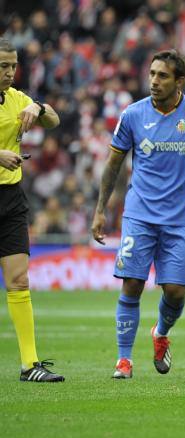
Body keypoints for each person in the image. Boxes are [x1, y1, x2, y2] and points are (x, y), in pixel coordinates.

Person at [91, 50, 185, 379]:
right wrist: (100, 210)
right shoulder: (133, 114)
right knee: (132, 283)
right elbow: (113, 165)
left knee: (176, 292)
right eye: (152, 74)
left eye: (162, 75)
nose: (154, 81)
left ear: (180, 81)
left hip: (179, 218)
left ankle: (161, 332)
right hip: (139, 214)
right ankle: (124, 360)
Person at [0, 38, 64, 382]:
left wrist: (38, 107)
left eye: (13, 65)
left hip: (10, 198)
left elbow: (54, 120)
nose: (10, 72)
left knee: (19, 280)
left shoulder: (16, 98)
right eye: (3, 66)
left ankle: (29, 364)